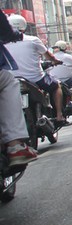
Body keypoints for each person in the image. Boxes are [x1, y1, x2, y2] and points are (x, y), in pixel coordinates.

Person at [5, 14, 68, 125]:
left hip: (11, 80)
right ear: (24, 26)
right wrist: (55, 61)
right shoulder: (33, 40)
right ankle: (59, 115)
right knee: (56, 86)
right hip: (36, 79)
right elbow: (49, 56)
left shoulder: (3, 43)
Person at [0, 13, 37, 166]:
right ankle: (15, 144)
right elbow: (7, 32)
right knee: (9, 81)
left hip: (31, 79)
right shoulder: (34, 40)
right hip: (34, 78)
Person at [49, 40, 72, 108]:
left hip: (53, 81)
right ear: (64, 48)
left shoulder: (51, 57)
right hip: (66, 80)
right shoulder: (68, 57)